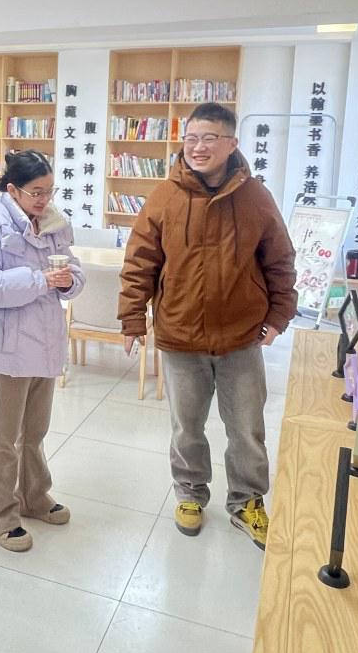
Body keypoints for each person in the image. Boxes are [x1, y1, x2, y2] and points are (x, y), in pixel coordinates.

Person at [117, 102, 295, 549]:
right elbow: (140, 261)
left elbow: (280, 260)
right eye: (192, 138)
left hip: (241, 336)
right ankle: (190, 494)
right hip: (181, 335)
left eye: (210, 138)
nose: (198, 147)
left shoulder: (256, 197)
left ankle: (247, 501)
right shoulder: (165, 196)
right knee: (186, 427)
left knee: (247, 429)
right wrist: (132, 318)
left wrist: (278, 316)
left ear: (232, 143)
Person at [0, 150, 85, 552]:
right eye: (36, 192)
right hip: (8, 349)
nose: (44, 199)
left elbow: (74, 273)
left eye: (49, 191)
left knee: (35, 432)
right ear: (12, 190)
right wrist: (40, 280)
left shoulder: (53, 225)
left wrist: (68, 282)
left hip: (45, 343)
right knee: (4, 437)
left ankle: (34, 496)